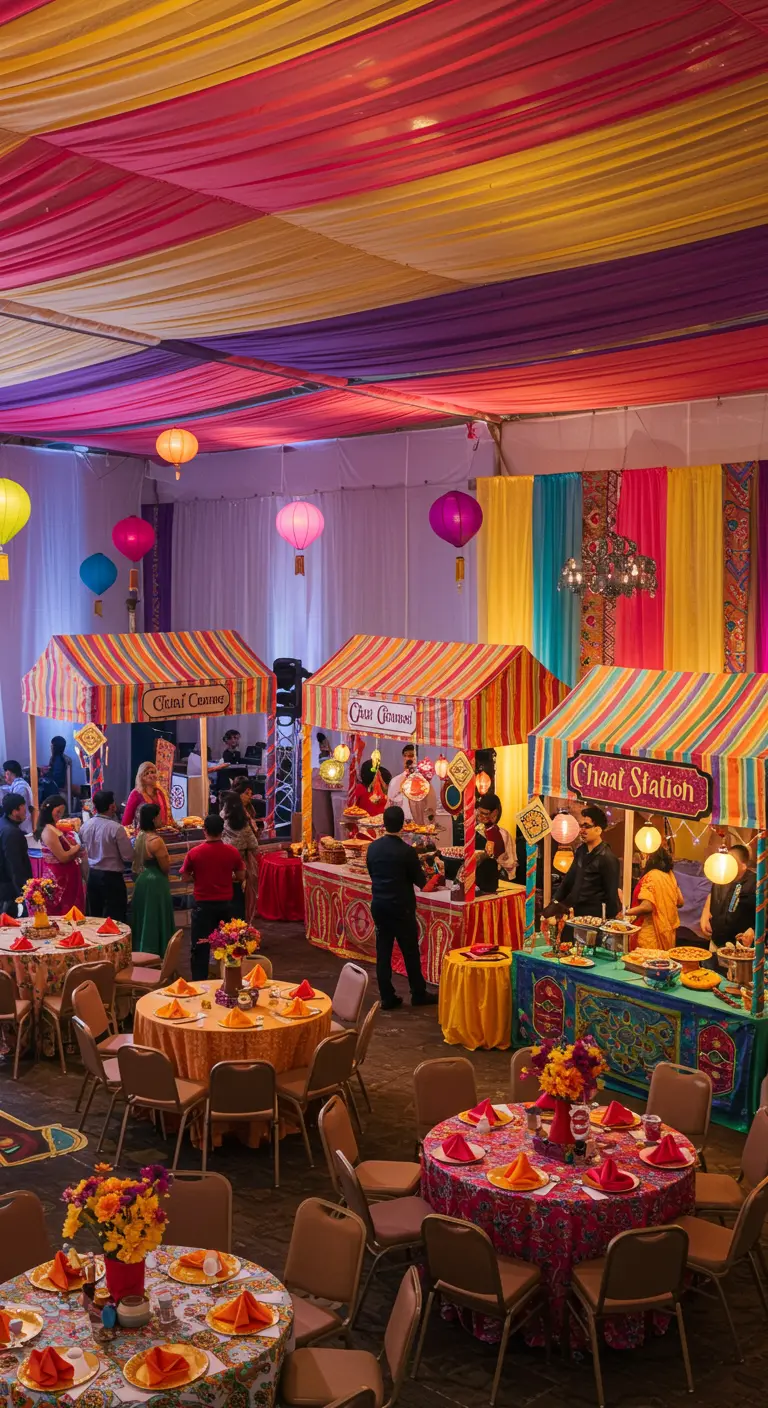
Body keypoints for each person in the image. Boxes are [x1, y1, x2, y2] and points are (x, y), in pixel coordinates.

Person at [365, 804, 437, 1010]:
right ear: (402, 825)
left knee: (383, 951)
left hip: (379, 905)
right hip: (402, 907)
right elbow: (422, 883)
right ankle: (418, 992)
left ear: (384, 823)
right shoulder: (406, 852)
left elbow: (372, 873)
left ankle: (387, 996)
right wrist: (436, 877)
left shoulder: (373, 848)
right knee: (410, 952)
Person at [181, 814, 244, 981]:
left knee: (200, 946)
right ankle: (229, 980)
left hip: (203, 906)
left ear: (204, 831)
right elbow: (241, 876)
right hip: (226, 905)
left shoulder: (194, 853)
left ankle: (198, 981)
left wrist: (199, 877)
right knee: (229, 946)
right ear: (222, 831)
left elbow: (185, 877)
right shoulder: (232, 852)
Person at [555, 803, 621, 919]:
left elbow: (611, 895)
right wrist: (554, 903)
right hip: (575, 914)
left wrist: (610, 922)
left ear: (598, 830)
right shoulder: (581, 851)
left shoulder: (608, 858)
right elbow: (568, 880)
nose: (582, 830)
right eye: (581, 826)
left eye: (586, 826)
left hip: (594, 918)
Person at [80, 789, 134, 922]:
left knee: (94, 919)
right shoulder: (116, 828)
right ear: (112, 806)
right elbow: (128, 856)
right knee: (115, 920)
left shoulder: (85, 826)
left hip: (93, 876)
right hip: (111, 879)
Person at [700, 842, 756, 969]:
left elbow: (765, 912)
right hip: (715, 942)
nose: (726, 865)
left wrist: (753, 929)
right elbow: (711, 895)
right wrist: (705, 912)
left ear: (743, 865)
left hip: (739, 949)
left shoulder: (755, 883)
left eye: (732, 862)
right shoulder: (721, 875)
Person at [131, 803, 175, 958]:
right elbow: (165, 867)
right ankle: (159, 952)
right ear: (154, 818)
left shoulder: (139, 836)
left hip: (142, 881)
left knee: (144, 918)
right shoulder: (156, 841)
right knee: (157, 917)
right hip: (156, 881)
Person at [35, 794, 85, 915]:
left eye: (62, 812)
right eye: (58, 811)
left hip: (67, 875)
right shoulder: (48, 830)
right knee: (63, 911)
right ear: (49, 810)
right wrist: (78, 846)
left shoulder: (54, 827)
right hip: (60, 877)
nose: (60, 815)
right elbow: (62, 857)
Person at [625, 846, 684, 950]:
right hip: (668, 932)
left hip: (650, 935)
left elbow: (647, 906)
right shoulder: (670, 876)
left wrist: (626, 912)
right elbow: (680, 902)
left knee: (647, 964)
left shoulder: (651, 876)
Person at [221, 789, 259, 923]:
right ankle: (239, 929)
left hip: (223, 866)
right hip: (240, 867)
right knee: (239, 899)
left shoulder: (222, 822)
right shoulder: (245, 827)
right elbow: (254, 847)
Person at [387, 744, 438, 827]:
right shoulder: (395, 781)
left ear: (416, 758)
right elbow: (389, 806)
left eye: (411, 756)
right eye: (405, 756)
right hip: (401, 829)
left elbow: (431, 808)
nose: (407, 759)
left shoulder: (424, 782)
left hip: (420, 828)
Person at [0, 793, 32, 914]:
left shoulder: (3, 824)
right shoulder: (11, 832)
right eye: (24, 809)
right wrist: (24, 894)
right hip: (6, 889)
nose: (26, 813)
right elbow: (14, 866)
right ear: (15, 812)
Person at [122, 761, 171, 828]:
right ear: (141, 777)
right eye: (147, 773)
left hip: (161, 831)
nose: (151, 775)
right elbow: (126, 821)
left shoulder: (160, 792)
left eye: (153, 772)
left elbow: (165, 816)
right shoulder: (136, 794)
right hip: (142, 834)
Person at [2, 760, 34, 835]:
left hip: (23, 826)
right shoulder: (18, 784)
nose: (5, 777)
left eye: (6, 774)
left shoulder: (20, 787)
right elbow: (6, 788)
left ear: (8, 773)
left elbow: (17, 807)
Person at [39, 735, 72, 802]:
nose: (50, 747)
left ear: (55, 747)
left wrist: (44, 773)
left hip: (57, 789)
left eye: (51, 745)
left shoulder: (58, 760)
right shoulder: (58, 758)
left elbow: (57, 779)